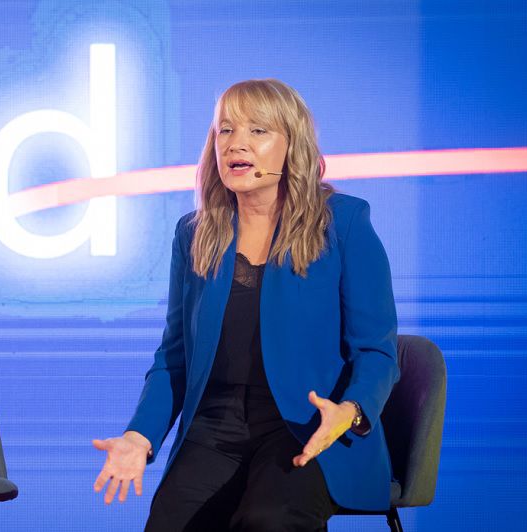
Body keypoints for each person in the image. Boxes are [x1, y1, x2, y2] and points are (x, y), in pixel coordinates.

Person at [93, 79, 399, 531]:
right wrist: (140, 435)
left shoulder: (344, 223)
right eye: (225, 130)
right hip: (214, 430)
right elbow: (175, 356)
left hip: (307, 427)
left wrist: (350, 410)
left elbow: (377, 351)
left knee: (267, 522)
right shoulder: (194, 233)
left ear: (291, 145)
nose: (237, 144)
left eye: (258, 131)